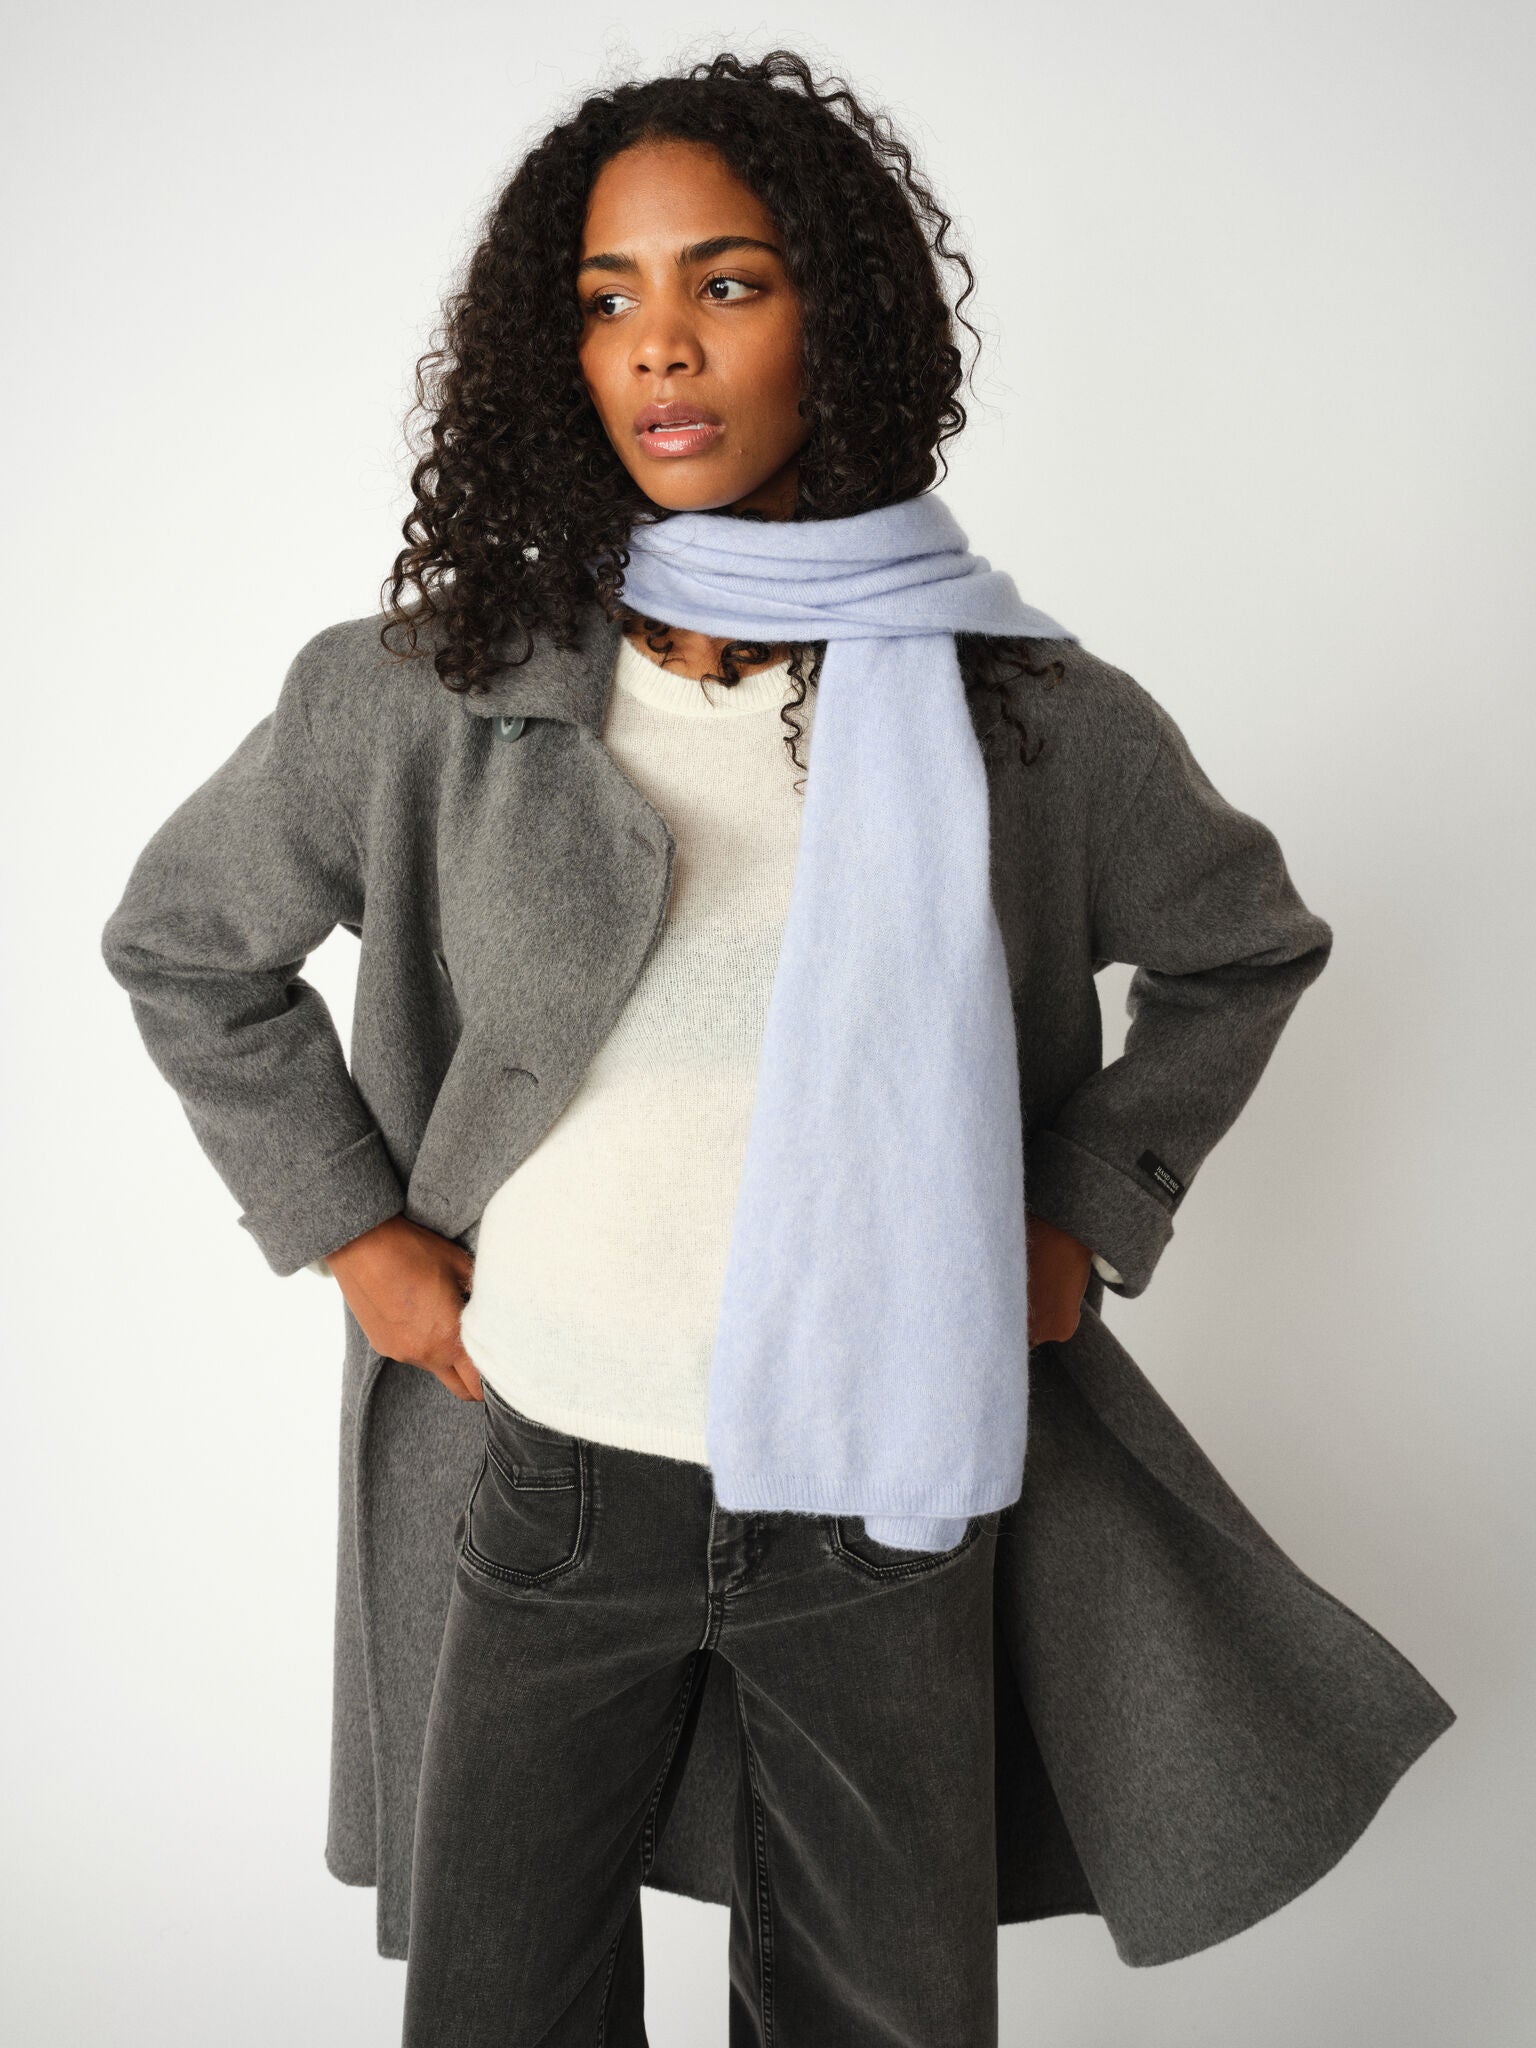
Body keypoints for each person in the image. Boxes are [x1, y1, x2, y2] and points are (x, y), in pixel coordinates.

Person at [100, 48, 1454, 2048]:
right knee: (500, 2009)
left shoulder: (1024, 715)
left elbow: (1242, 949)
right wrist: (356, 1236)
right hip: (550, 1471)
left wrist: (1083, 1208)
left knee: (876, 2015)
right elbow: (183, 945)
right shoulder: (432, 692)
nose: (660, 345)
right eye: (608, 299)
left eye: (725, 283)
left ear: (841, 313)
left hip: (881, 1496)